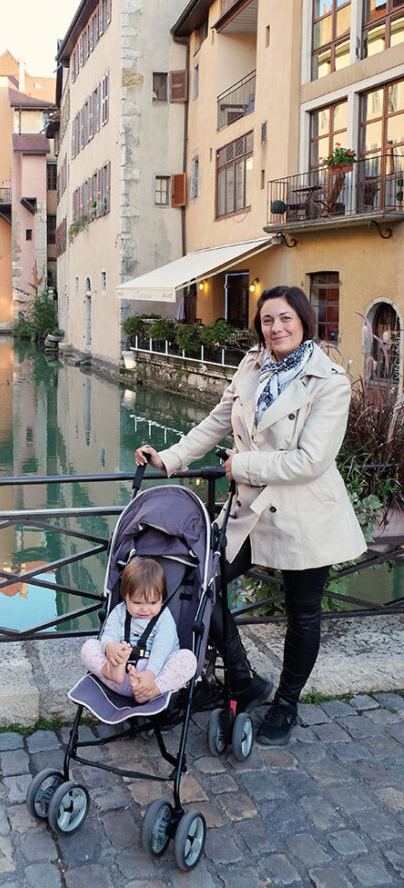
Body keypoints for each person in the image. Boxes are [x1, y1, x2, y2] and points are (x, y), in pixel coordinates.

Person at [135, 285, 367, 745]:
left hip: (304, 513)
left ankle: (286, 703)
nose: (275, 328)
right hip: (246, 510)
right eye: (267, 320)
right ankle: (241, 680)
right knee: (204, 584)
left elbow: (310, 461)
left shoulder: (330, 381)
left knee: (302, 614)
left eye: (284, 319)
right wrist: (170, 457)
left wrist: (241, 465)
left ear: (303, 322)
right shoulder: (252, 365)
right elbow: (218, 421)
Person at [81, 556, 197, 704]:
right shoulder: (119, 611)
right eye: (137, 602)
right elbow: (109, 633)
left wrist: (150, 674)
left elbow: (162, 648)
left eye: (153, 602)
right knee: (89, 646)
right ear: (125, 597)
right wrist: (111, 647)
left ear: (162, 598)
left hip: (153, 677)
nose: (145, 609)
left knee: (187, 659)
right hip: (120, 678)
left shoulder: (164, 618)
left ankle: (153, 690)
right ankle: (109, 671)